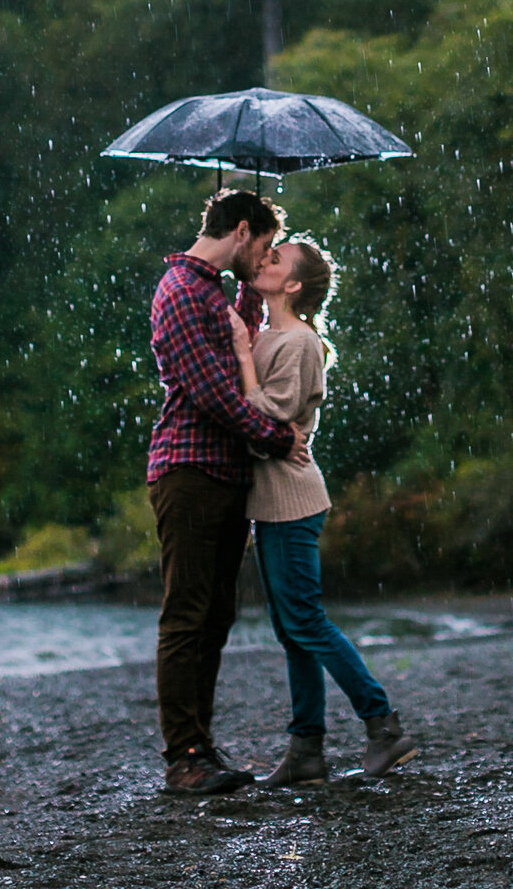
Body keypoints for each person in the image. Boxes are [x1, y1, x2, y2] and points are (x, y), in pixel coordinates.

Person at [229, 236, 417, 785]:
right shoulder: (271, 333)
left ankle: (383, 726)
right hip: (272, 501)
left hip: (291, 499)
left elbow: (270, 418)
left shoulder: (299, 342)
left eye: (275, 259)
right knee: (292, 631)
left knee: (306, 622)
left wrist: (242, 355)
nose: (264, 260)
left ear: (293, 286)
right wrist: (246, 342)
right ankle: (307, 750)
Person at [147, 188, 312, 797]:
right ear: (241, 231)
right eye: (265, 246)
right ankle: (183, 757)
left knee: (215, 615)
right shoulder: (183, 292)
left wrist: (250, 290)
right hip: (187, 471)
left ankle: (200, 746)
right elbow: (216, 394)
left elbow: (236, 345)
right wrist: (277, 438)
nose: (267, 258)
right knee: (187, 616)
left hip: (221, 475)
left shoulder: (211, 292)